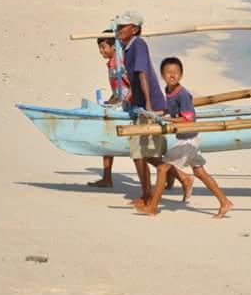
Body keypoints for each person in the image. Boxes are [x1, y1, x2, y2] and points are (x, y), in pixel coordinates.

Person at [136, 57, 233, 218]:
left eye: (175, 73)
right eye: (168, 73)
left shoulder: (183, 94)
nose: (172, 76)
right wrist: (154, 114)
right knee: (200, 172)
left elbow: (188, 118)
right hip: (188, 137)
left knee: (162, 168)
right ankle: (225, 202)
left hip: (188, 138)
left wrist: (166, 120)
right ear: (162, 75)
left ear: (181, 75)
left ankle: (153, 207)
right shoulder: (168, 90)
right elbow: (170, 110)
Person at [116, 11, 193, 205]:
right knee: (139, 153)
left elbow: (142, 74)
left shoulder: (139, 45)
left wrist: (149, 106)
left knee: (142, 152)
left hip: (150, 105)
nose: (118, 30)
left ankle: (176, 180)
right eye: (117, 27)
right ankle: (148, 192)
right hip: (139, 104)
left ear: (134, 29)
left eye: (121, 27)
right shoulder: (127, 47)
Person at [87, 29, 131, 188]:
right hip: (118, 104)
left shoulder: (120, 64)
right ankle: (107, 177)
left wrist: (123, 102)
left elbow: (130, 85)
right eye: (99, 48)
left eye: (103, 47)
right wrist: (110, 101)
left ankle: (177, 175)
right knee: (106, 140)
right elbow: (117, 91)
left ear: (114, 47)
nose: (101, 52)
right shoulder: (112, 64)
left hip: (127, 107)